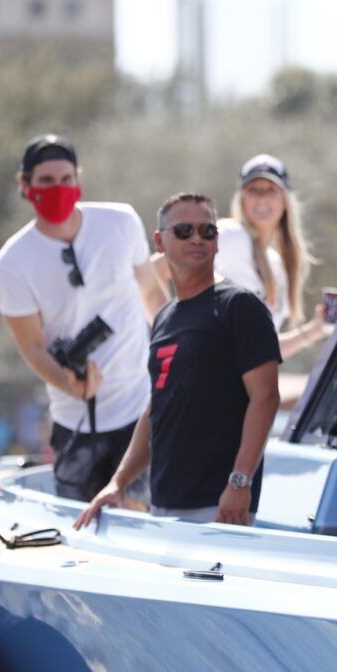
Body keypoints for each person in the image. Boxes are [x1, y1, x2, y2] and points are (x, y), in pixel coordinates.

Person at [75, 193, 280, 528]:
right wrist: (118, 483)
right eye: (184, 231)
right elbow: (158, 406)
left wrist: (239, 482)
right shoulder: (165, 317)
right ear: (160, 241)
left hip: (220, 506)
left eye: (207, 231)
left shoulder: (240, 306)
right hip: (165, 505)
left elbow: (266, 397)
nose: (197, 239)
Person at [0, 135, 167, 501]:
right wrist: (68, 382)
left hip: (140, 413)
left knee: (150, 523)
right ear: (25, 185)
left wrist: (178, 358)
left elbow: (151, 295)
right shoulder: (12, 261)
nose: (58, 188)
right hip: (74, 422)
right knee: (79, 532)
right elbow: (33, 347)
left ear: (78, 180)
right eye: (46, 181)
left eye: (66, 179)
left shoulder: (120, 222)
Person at [152, 154, 329, 359]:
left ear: (285, 201)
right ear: (242, 199)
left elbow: (262, 350)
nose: (262, 198)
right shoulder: (231, 235)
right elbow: (156, 268)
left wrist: (315, 330)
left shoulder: (275, 264)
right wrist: (174, 338)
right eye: (253, 189)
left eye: (271, 190)